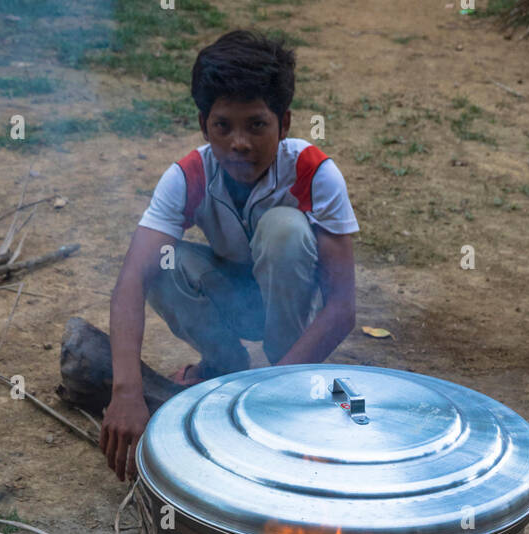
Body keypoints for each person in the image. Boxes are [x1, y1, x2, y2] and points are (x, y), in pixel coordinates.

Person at [101, 29, 359, 481]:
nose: (239, 143)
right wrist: (126, 391)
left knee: (284, 230)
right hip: (229, 298)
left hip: (291, 313)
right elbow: (130, 283)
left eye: (257, 125)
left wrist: (271, 392)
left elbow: (341, 307)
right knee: (162, 264)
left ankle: (285, 369)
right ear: (205, 125)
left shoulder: (315, 174)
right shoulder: (188, 175)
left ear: (285, 122)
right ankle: (223, 365)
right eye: (224, 126)